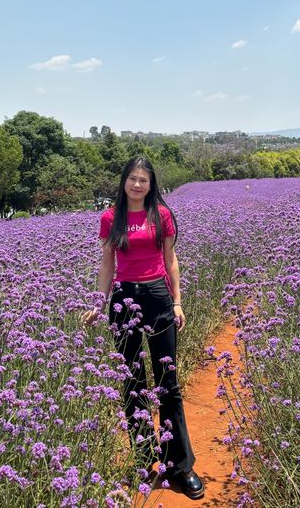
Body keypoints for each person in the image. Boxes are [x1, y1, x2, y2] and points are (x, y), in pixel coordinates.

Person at [82, 156, 205, 500]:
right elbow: (107, 264)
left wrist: (177, 301)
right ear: (124, 182)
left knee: (168, 383)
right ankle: (145, 459)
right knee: (133, 382)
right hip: (124, 298)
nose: (138, 185)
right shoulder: (111, 218)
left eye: (144, 180)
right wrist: (98, 302)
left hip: (157, 295)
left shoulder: (161, 216)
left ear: (151, 185)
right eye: (133, 179)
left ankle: (180, 466)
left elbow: (171, 260)